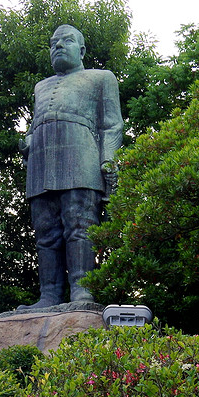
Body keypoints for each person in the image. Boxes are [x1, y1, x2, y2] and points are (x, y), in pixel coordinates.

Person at [16, 24, 123, 309]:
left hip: (81, 158)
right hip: (41, 162)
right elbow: (38, 121)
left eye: (66, 41)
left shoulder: (101, 78)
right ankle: (48, 295)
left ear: (82, 49)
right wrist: (27, 140)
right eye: (53, 43)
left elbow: (112, 125)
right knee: (45, 231)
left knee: (80, 225)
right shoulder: (41, 86)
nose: (58, 46)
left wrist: (108, 159)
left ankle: (82, 290)